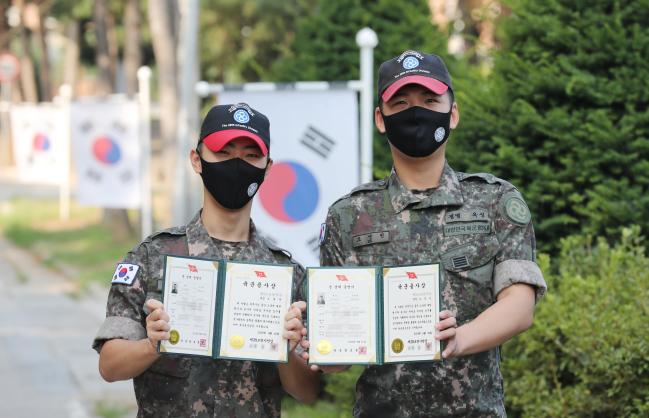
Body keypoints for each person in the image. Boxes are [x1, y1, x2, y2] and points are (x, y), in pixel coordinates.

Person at [314, 50, 547, 417]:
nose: (416, 112)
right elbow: (339, 351)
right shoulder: (349, 215)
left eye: (429, 100)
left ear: (452, 114)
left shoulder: (495, 201)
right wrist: (317, 348)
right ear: (380, 118)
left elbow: (520, 306)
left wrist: (459, 339)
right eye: (401, 103)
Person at [92, 103, 319, 417]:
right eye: (223, 152)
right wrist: (152, 344)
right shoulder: (152, 258)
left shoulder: (286, 274)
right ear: (197, 160)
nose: (237, 164)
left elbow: (308, 393)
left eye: (251, 156)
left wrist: (288, 349)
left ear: (267, 168)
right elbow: (110, 366)